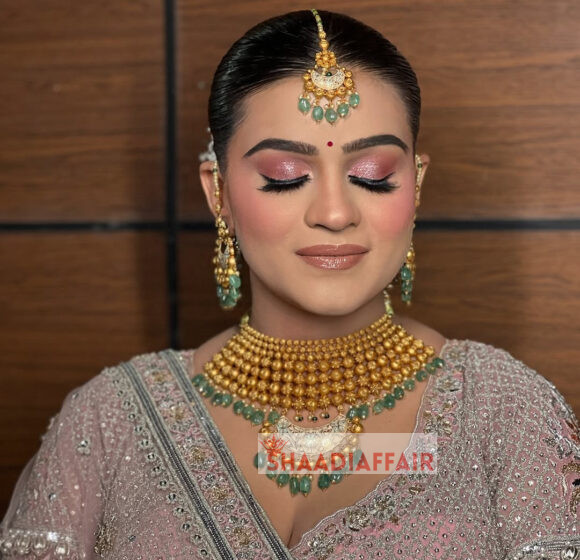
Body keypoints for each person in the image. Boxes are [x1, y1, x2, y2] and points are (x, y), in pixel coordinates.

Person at [1, 8, 578, 560]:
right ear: (218, 193)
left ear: (416, 184)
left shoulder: (505, 411)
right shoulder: (110, 420)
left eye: (373, 176)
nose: (334, 213)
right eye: (285, 177)